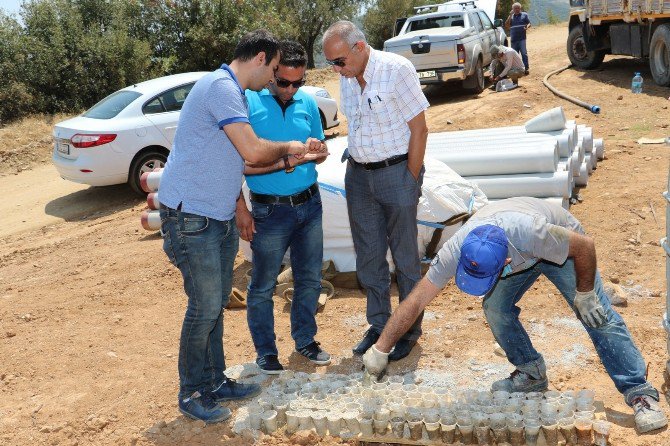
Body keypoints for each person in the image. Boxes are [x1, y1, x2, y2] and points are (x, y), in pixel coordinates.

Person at [363, 197, 668, 434]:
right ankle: (531, 374)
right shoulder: (457, 248)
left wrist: (585, 293)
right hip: (515, 251)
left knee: (596, 315)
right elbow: (416, 300)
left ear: (506, 261)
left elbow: (585, 247)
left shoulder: (532, 233)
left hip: (563, 249)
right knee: (495, 306)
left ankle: (639, 392)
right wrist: (382, 347)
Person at [158, 29, 321, 424]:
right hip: (191, 215)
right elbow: (250, 150)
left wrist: (244, 200)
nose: (274, 80)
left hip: (214, 214)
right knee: (205, 307)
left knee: (213, 305)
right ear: (262, 58)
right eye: (275, 71)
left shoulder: (226, 88)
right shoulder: (222, 88)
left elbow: (239, 162)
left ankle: (215, 381)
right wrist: (293, 147)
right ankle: (192, 391)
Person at [322, 21, 429, 362]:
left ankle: (408, 329)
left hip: (397, 174)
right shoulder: (347, 76)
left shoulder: (397, 69)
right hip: (359, 178)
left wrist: (409, 180)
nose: (337, 69)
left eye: (339, 61)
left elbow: (420, 129)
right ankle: (379, 324)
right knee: (369, 257)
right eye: (332, 64)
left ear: (360, 46)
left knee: (405, 257)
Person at [237, 40, 331, 375]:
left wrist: (317, 150)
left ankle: (305, 340)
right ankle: (266, 352)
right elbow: (236, 161)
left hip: (310, 206)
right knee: (263, 284)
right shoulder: (247, 100)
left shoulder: (307, 102)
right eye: (285, 82)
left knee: (309, 279)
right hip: (269, 211)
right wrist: (241, 210)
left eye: (298, 82)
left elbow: (322, 152)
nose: (291, 89)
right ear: (272, 71)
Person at [505, 2, 531, 74]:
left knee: (524, 53)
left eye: (518, 8)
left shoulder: (524, 15)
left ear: (520, 8)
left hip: (522, 38)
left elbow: (529, 23)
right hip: (514, 39)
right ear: (512, 9)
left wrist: (527, 27)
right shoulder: (511, 16)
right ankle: (517, 69)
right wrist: (510, 15)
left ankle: (526, 68)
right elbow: (506, 25)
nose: (517, 9)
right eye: (515, 8)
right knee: (515, 55)